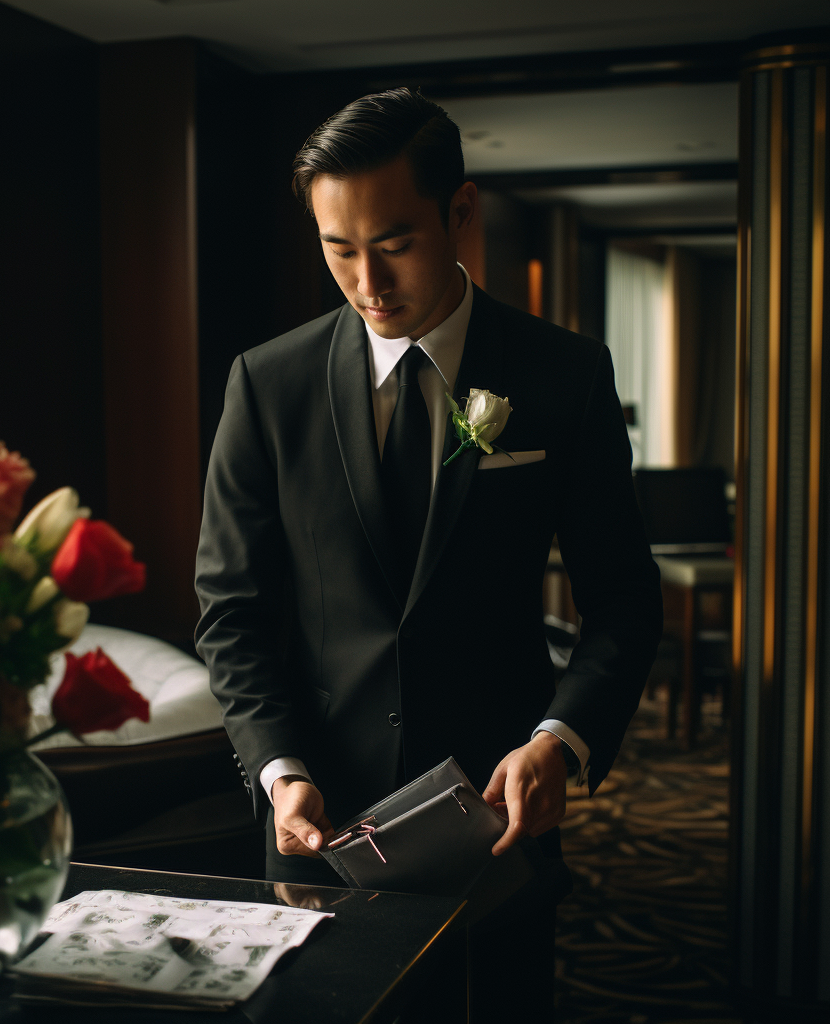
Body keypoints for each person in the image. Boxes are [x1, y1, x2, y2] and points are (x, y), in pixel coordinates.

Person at [195, 87, 662, 1022]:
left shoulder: (564, 375)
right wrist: (278, 768)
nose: (368, 282)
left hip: (499, 820)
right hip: (317, 829)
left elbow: (622, 600)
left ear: (459, 212)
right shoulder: (268, 383)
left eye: (395, 243)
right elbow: (231, 610)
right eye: (338, 249)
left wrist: (558, 743)